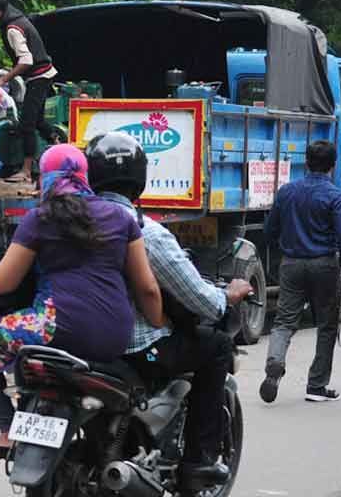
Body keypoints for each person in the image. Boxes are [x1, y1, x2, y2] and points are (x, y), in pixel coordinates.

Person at [0, 143, 162, 471]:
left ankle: (8, 428)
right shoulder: (121, 218)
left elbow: (2, 284)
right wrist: (158, 323)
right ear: (85, 177)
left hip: (54, 328)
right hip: (114, 336)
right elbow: (147, 288)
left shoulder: (40, 218)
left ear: (46, 178)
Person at [87, 131, 252, 485]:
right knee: (216, 346)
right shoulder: (144, 230)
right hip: (134, 348)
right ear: (140, 180)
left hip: (74, 342)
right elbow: (191, 297)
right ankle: (197, 461)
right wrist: (228, 295)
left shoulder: (67, 222)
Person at [261, 140, 341, 403]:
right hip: (324, 264)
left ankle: (274, 363)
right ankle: (316, 385)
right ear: (332, 166)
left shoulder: (286, 192)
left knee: (284, 321)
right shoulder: (336, 197)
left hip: (291, 264)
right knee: (326, 324)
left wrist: (284, 252)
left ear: (306, 162)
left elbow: (269, 231)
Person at [0, 0, 59, 182]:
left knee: (26, 124)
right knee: (38, 121)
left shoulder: (13, 28)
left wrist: (3, 79)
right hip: (43, 74)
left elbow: (26, 61)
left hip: (39, 76)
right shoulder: (16, 20)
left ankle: (26, 171)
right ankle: (58, 142)